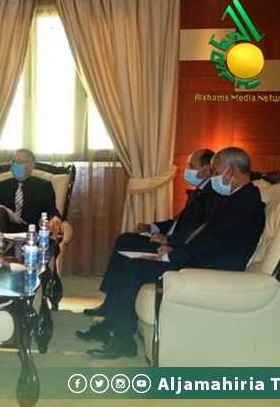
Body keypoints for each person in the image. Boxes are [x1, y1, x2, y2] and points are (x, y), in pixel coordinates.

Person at [79, 147, 265, 359]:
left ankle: (123, 341)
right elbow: (207, 240)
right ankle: (114, 326)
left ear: (230, 172)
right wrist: (173, 250)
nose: (213, 177)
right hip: (202, 259)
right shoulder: (239, 198)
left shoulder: (244, 204)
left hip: (211, 269)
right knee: (131, 261)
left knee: (133, 267)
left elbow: (213, 244)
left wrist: (171, 255)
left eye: (216, 172)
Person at [83, 149, 224, 316]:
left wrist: (168, 240)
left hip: (177, 247)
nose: (187, 170)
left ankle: (112, 305)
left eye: (191, 166)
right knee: (125, 239)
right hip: (170, 240)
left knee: (126, 242)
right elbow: (177, 222)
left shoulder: (212, 195)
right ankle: (111, 301)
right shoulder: (199, 191)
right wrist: (152, 227)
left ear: (206, 169)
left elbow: (196, 231)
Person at [0, 148, 64, 236]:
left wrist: (55, 218)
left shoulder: (44, 186)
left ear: (32, 165)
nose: (16, 165)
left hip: (31, 233)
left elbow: (52, 210)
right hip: (3, 232)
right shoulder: (2, 186)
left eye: (20, 162)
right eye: (14, 162)